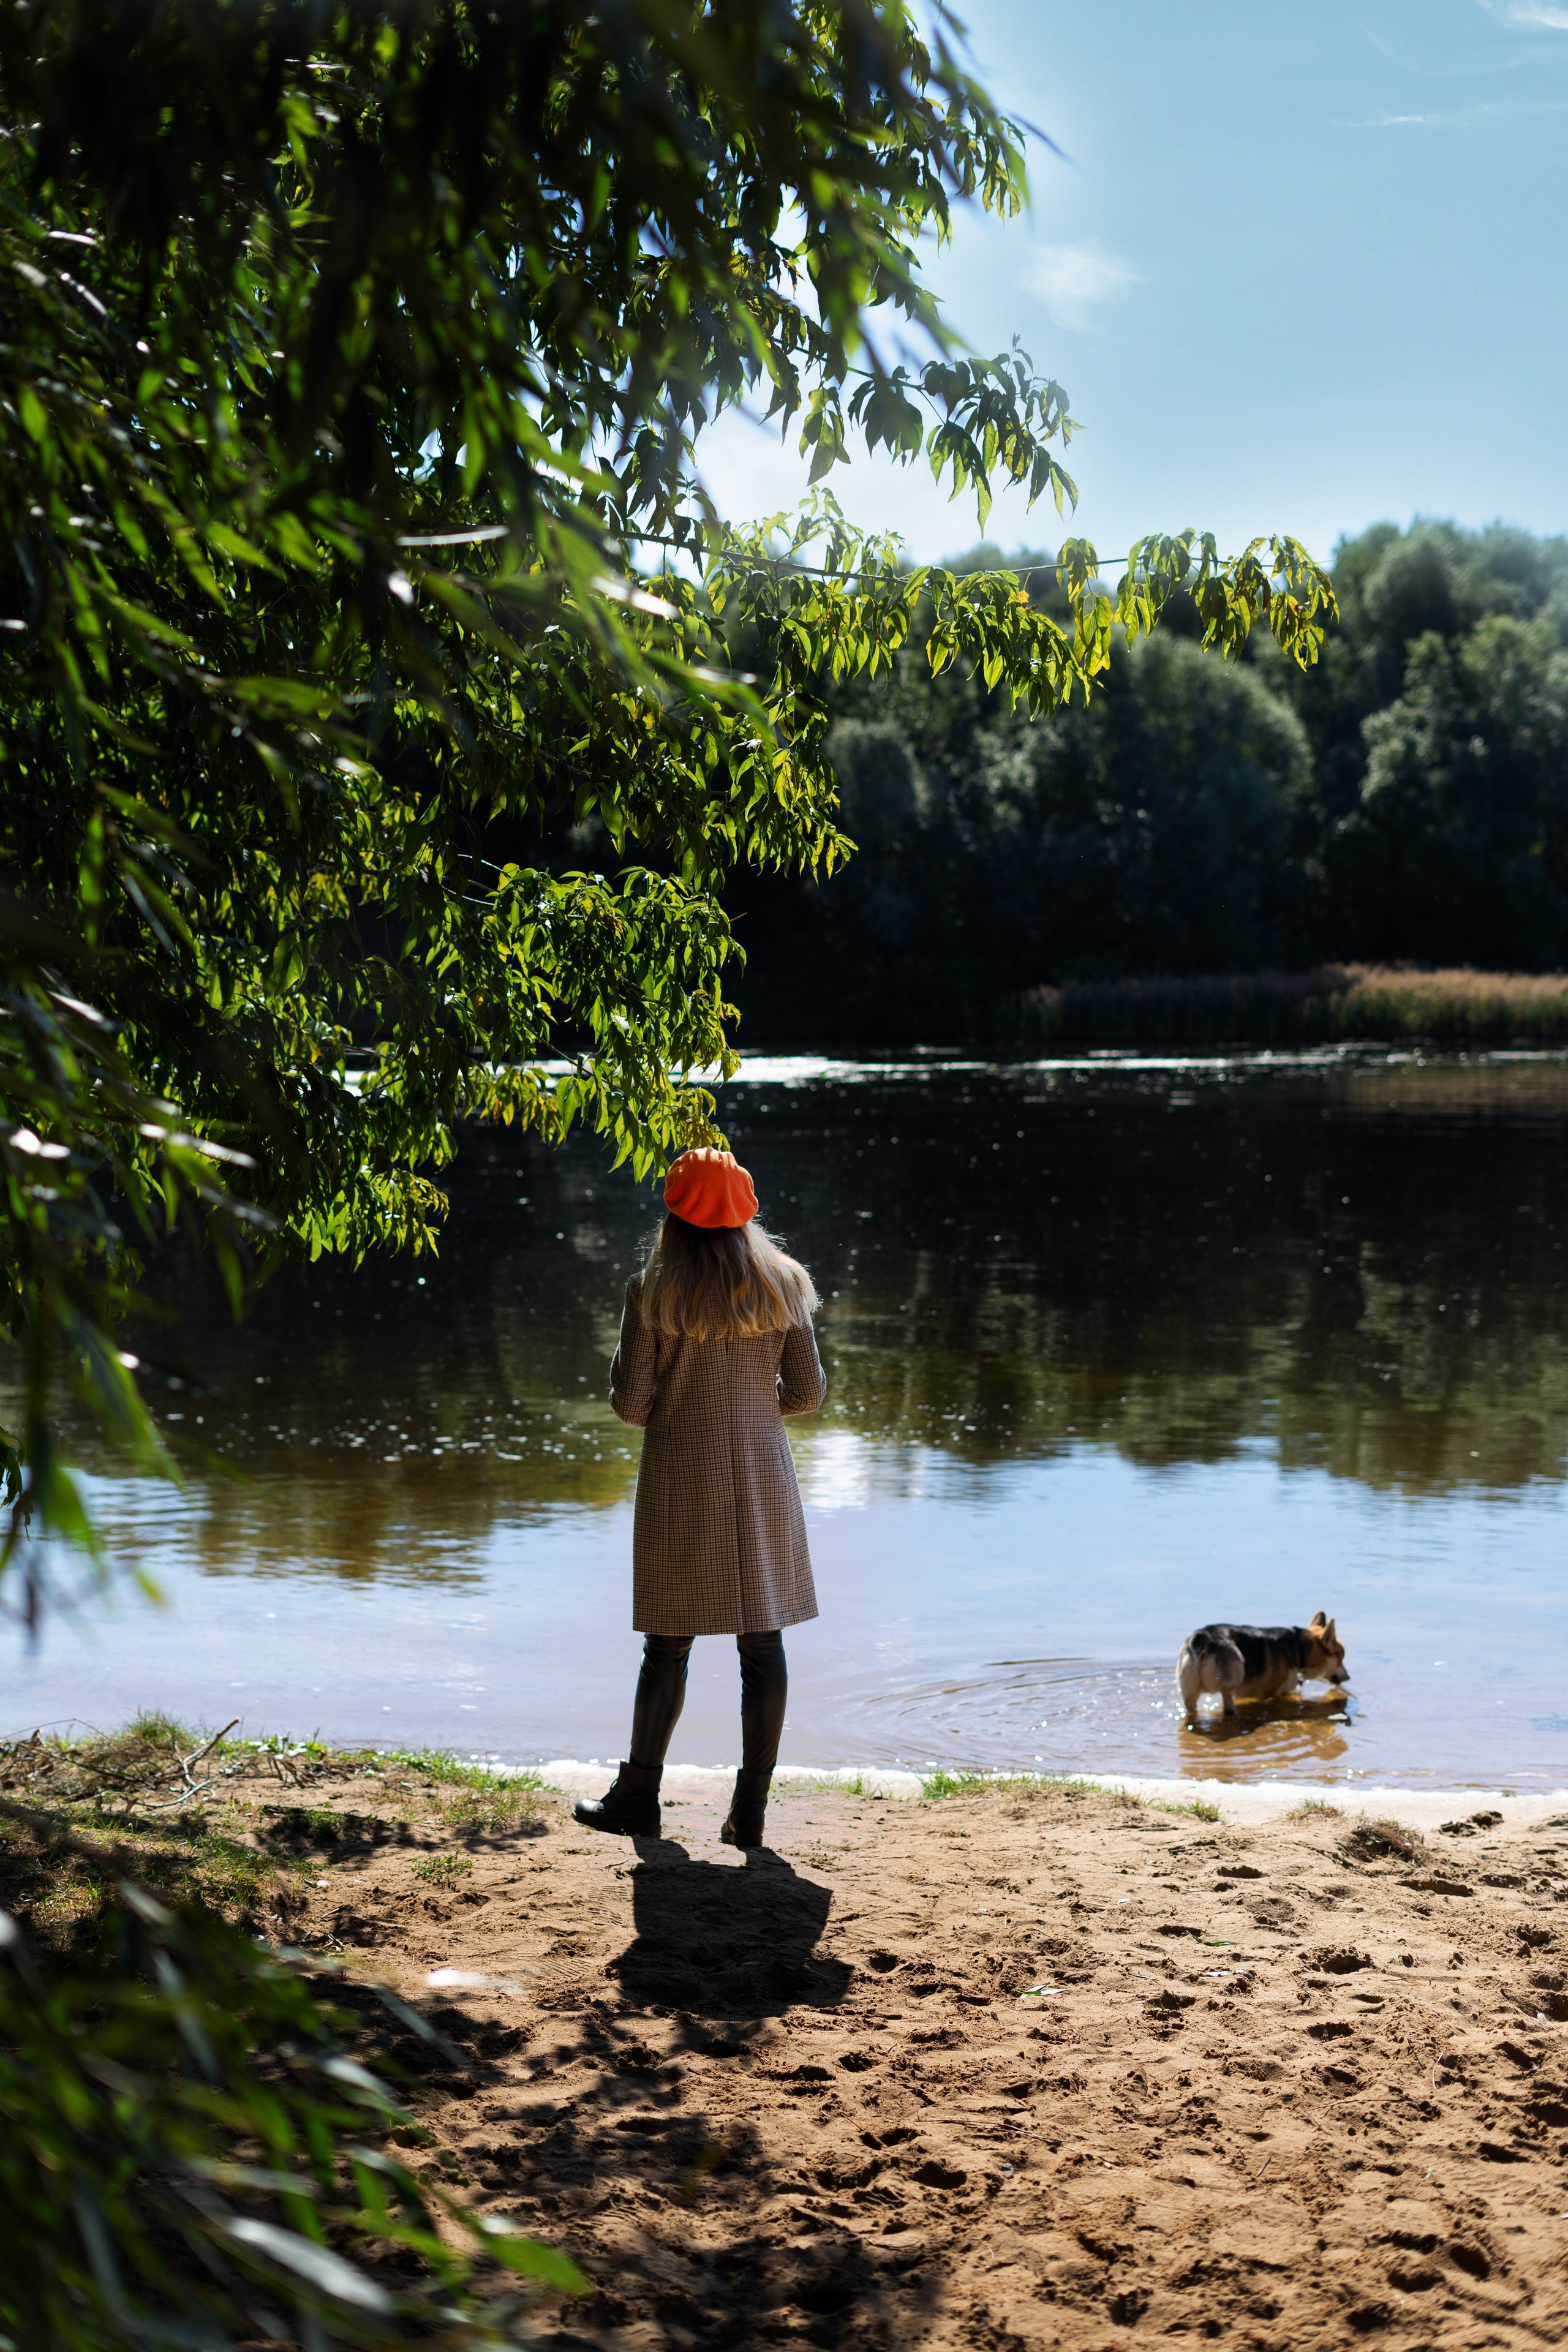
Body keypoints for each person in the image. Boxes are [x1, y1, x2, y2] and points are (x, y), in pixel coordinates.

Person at [573, 1147, 826, 1850]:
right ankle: (750, 1813)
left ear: (675, 1215)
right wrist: (748, 1410)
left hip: (680, 1472)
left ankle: (638, 1798)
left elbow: (631, 1405)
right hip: (760, 1472)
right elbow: (806, 1394)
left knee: (667, 1643)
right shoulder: (784, 1283)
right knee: (762, 1640)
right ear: (745, 1209)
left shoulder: (651, 1291)